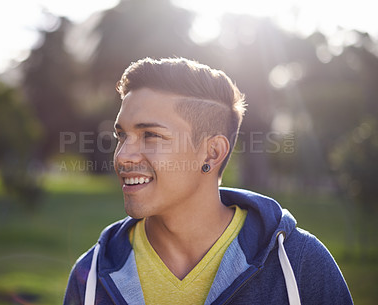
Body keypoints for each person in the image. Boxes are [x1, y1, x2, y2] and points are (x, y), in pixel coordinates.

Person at [63, 57, 353, 305]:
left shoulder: (301, 264)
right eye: (121, 136)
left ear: (212, 153)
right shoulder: (90, 277)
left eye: (150, 135)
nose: (123, 156)